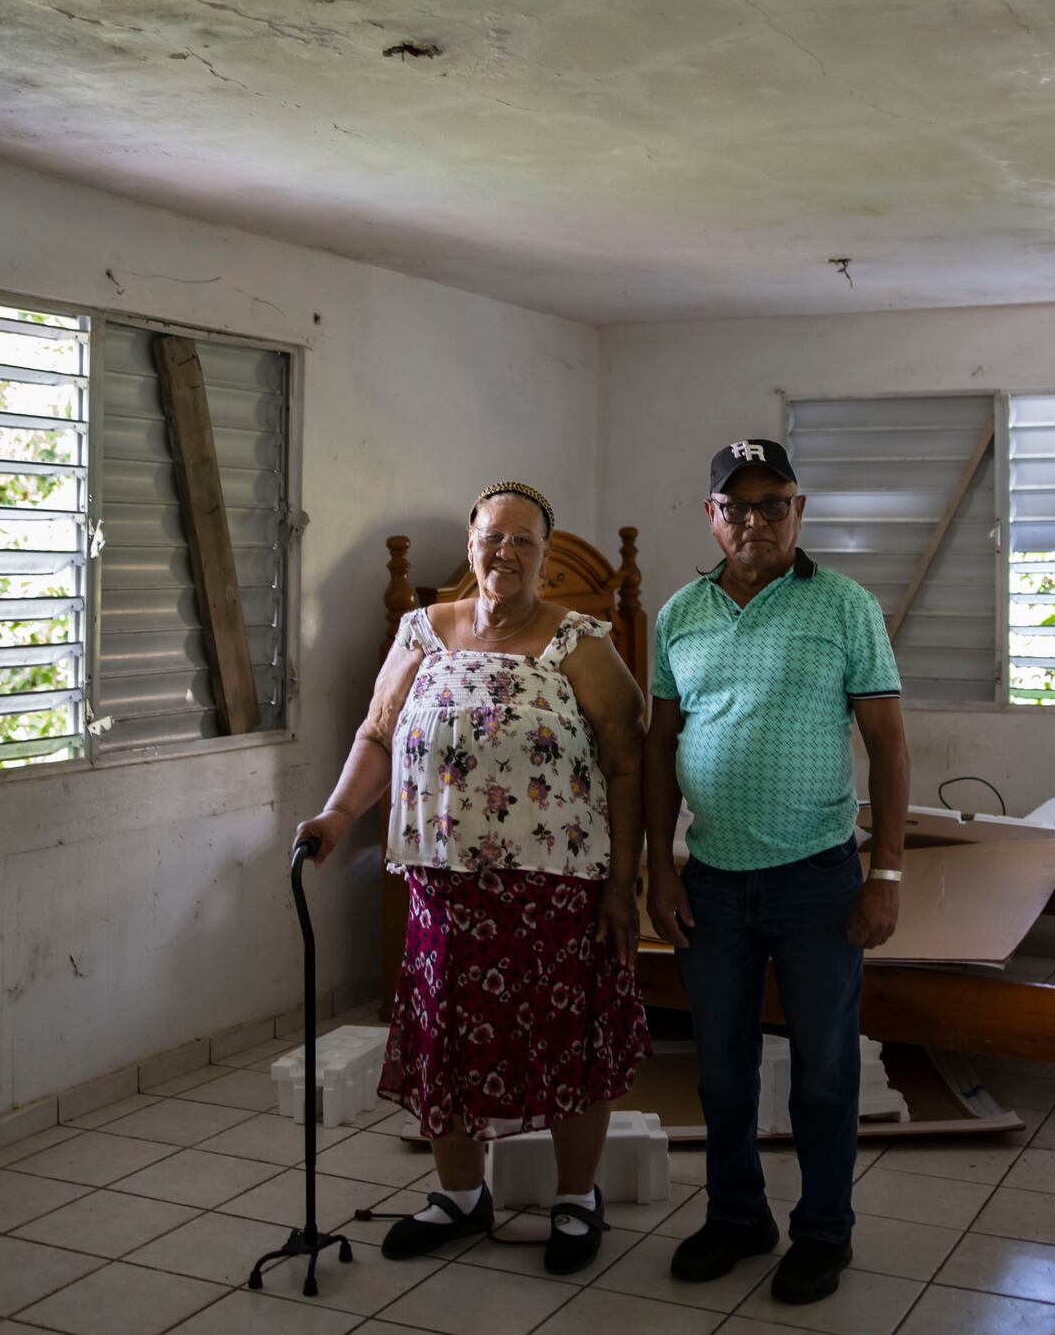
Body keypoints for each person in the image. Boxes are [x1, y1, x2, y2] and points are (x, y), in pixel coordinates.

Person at [295, 481, 649, 1275]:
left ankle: (576, 1195)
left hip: (557, 886)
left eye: (524, 540)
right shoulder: (421, 632)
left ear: (546, 558)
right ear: (470, 544)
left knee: (567, 1040)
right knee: (446, 1037)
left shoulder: (582, 640)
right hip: (444, 886)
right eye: (494, 536)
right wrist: (334, 817)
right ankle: (459, 1193)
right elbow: (377, 734)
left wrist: (623, 883)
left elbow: (629, 759)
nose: (506, 552)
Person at [643, 439, 910, 1307]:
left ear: (800, 510)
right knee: (720, 1068)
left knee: (824, 1072)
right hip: (712, 879)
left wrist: (888, 875)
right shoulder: (679, 612)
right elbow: (657, 748)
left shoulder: (845, 606)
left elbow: (888, 743)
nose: (755, 520)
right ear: (712, 516)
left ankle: (824, 1231)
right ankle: (737, 1214)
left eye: (774, 502)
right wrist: (660, 868)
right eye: (738, 506)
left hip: (817, 880)